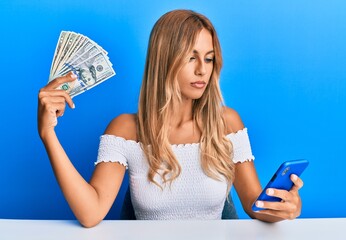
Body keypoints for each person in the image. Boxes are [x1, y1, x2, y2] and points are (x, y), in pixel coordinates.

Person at [38, 9, 304, 228]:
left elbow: (255, 206)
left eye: (209, 59)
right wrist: (48, 135)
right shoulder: (126, 129)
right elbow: (91, 213)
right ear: (165, 60)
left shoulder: (227, 123)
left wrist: (286, 206)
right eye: (191, 57)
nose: (202, 70)